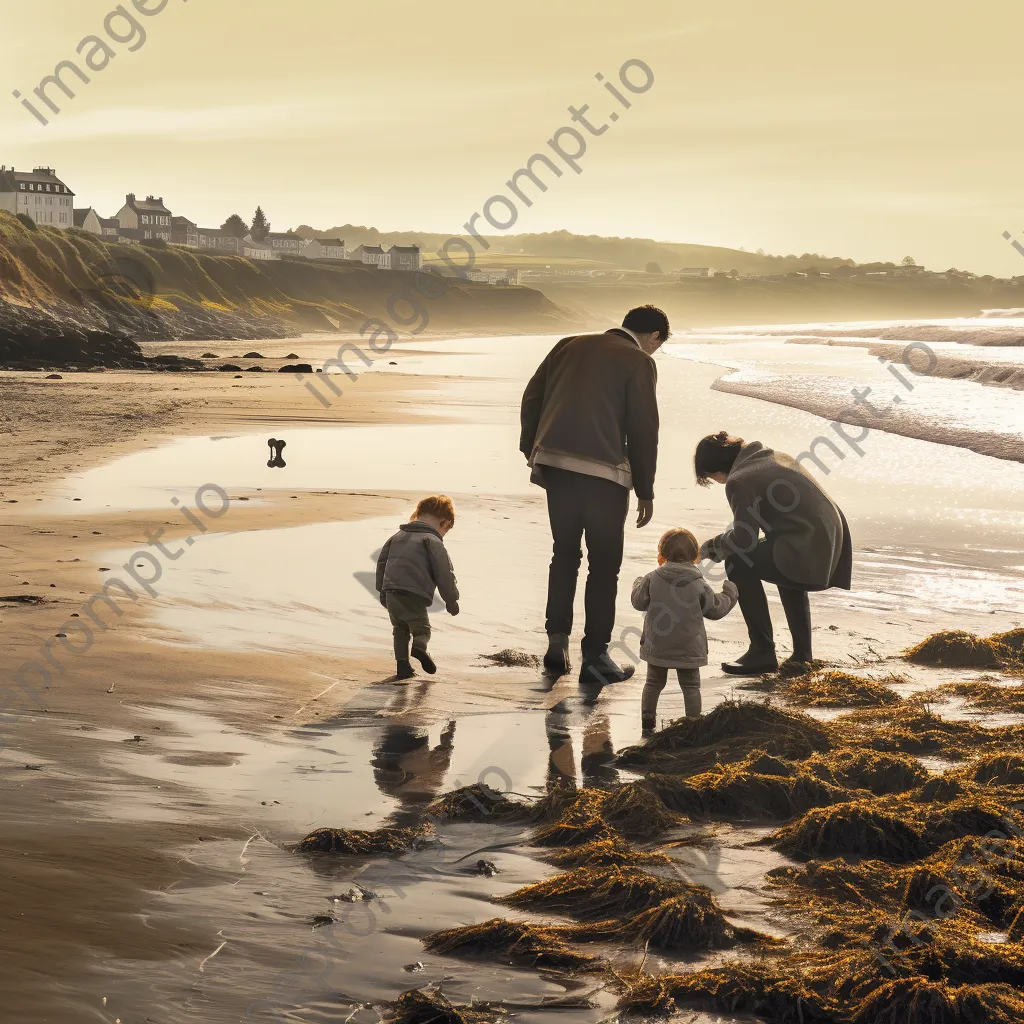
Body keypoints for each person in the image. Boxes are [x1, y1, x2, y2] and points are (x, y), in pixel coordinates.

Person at [520, 305, 670, 685]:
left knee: (564, 554)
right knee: (604, 566)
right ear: (654, 337)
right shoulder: (639, 361)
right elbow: (642, 429)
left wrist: (532, 449)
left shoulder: (567, 345)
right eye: (658, 346)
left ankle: (557, 641)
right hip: (604, 475)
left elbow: (532, 398)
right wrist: (646, 489)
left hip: (555, 465)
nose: (654, 352)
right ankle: (595, 656)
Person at [695, 432, 852, 676]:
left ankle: (762, 651)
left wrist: (708, 548)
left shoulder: (739, 479)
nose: (718, 482)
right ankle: (803, 653)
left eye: (712, 478)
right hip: (832, 543)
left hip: (808, 547)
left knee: (738, 560)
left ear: (716, 470)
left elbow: (744, 539)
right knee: (777, 552)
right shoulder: (774, 456)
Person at [631, 527, 738, 734]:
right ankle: (693, 723)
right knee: (690, 687)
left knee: (653, 683)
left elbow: (638, 602)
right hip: (689, 647)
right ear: (695, 556)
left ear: (662, 555)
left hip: (658, 646)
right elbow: (715, 610)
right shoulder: (699, 584)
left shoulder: (652, 578)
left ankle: (647, 721)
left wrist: (637, 584)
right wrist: (730, 594)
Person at [375, 495, 460, 679]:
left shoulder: (396, 537)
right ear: (443, 522)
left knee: (400, 629)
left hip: (391, 592)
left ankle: (403, 666)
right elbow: (444, 573)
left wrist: (382, 591)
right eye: (445, 530)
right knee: (422, 629)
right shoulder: (432, 541)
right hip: (414, 593)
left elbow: (381, 563)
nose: (443, 534)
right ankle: (420, 648)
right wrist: (451, 599)